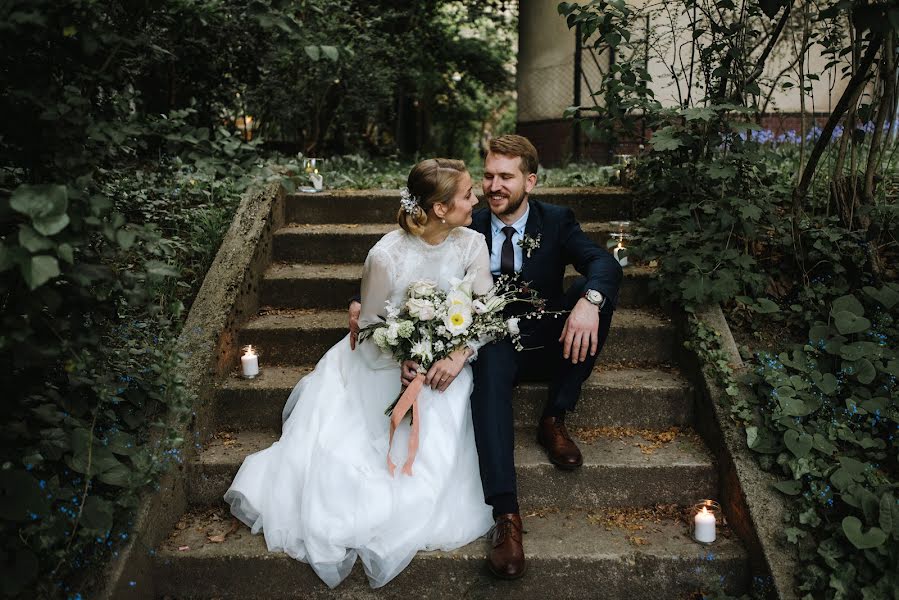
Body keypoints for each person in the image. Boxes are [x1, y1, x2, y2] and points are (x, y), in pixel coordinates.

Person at [349, 135, 622, 580]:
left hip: (543, 335)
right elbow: (409, 260)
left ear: (529, 181)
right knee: (491, 368)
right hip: (487, 342)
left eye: (505, 177)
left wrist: (589, 301)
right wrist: (361, 304)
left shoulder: (556, 222)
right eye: (488, 176)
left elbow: (602, 262)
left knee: (595, 300)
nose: (493, 187)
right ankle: (507, 517)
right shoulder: (462, 220)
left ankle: (554, 416)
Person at [225, 158, 494, 589]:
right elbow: (369, 328)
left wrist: (459, 353)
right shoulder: (385, 256)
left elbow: (483, 312)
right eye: (467, 194)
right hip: (382, 364)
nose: (476, 199)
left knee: (449, 402)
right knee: (351, 450)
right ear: (441, 208)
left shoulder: (472, 244)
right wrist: (402, 359)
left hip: (447, 359)